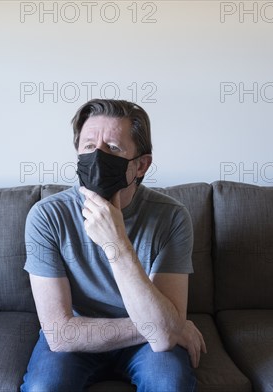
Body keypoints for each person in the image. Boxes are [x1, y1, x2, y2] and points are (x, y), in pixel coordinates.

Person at [21, 99, 206, 392]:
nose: (97, 157)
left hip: (146, 348)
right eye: (89, 146)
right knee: (43, 387)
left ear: (141, 165)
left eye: (113, 149)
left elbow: (162, 335)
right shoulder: (47, 216)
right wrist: (162, 328)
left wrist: (116, 242)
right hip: (80, 338)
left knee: (171, 385)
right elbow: (59, 334)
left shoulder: (171, 217)